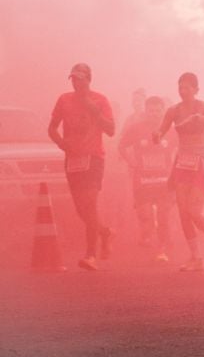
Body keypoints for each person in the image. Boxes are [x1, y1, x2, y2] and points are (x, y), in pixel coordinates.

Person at [153, 72, 204, 271]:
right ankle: (196, 258)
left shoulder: (202, 106)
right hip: (182, 162)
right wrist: (157, 136)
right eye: (180, 87)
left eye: (187, 87)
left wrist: (200, 118)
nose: (182, 90)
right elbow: (162, 130)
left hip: (200, 160)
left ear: (196, 90)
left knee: (194, 211)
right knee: (183, 212)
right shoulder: (173, 110)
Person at [48, 63, 115, 271]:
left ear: (89, 79)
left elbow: (111, 130)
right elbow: (51, 128)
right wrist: (61, 142)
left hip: (94, 158)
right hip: (73, 159)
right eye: (74, 79)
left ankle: (90, 255)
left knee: (90, 203)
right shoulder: (64, 99)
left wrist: (95, 112)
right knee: (81, 210)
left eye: (80, 78)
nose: (77, 83)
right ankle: (105, 232)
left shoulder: (100, 100)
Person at [118, 96, 176, 261]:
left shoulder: (171, 130)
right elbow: (121, 146)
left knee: (164, 214)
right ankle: (147, 233)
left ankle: (162, 249)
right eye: (151, 110)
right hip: (142, 180)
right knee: (145, 216)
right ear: (146, 111)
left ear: (163, 111)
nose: (154, 114)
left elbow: (182, 147)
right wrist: (131, 162)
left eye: (158, 110)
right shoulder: (136, 128)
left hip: (164, 180)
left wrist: (176, 166)